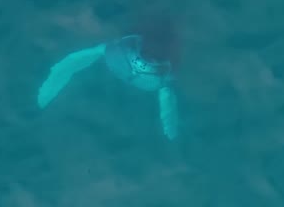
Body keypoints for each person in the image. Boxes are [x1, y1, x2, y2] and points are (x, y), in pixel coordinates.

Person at [37, 34, 179, 140]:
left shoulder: (116, 50)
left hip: (128, 71)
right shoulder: (118, 50)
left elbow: (71, 63)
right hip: (137, 76)